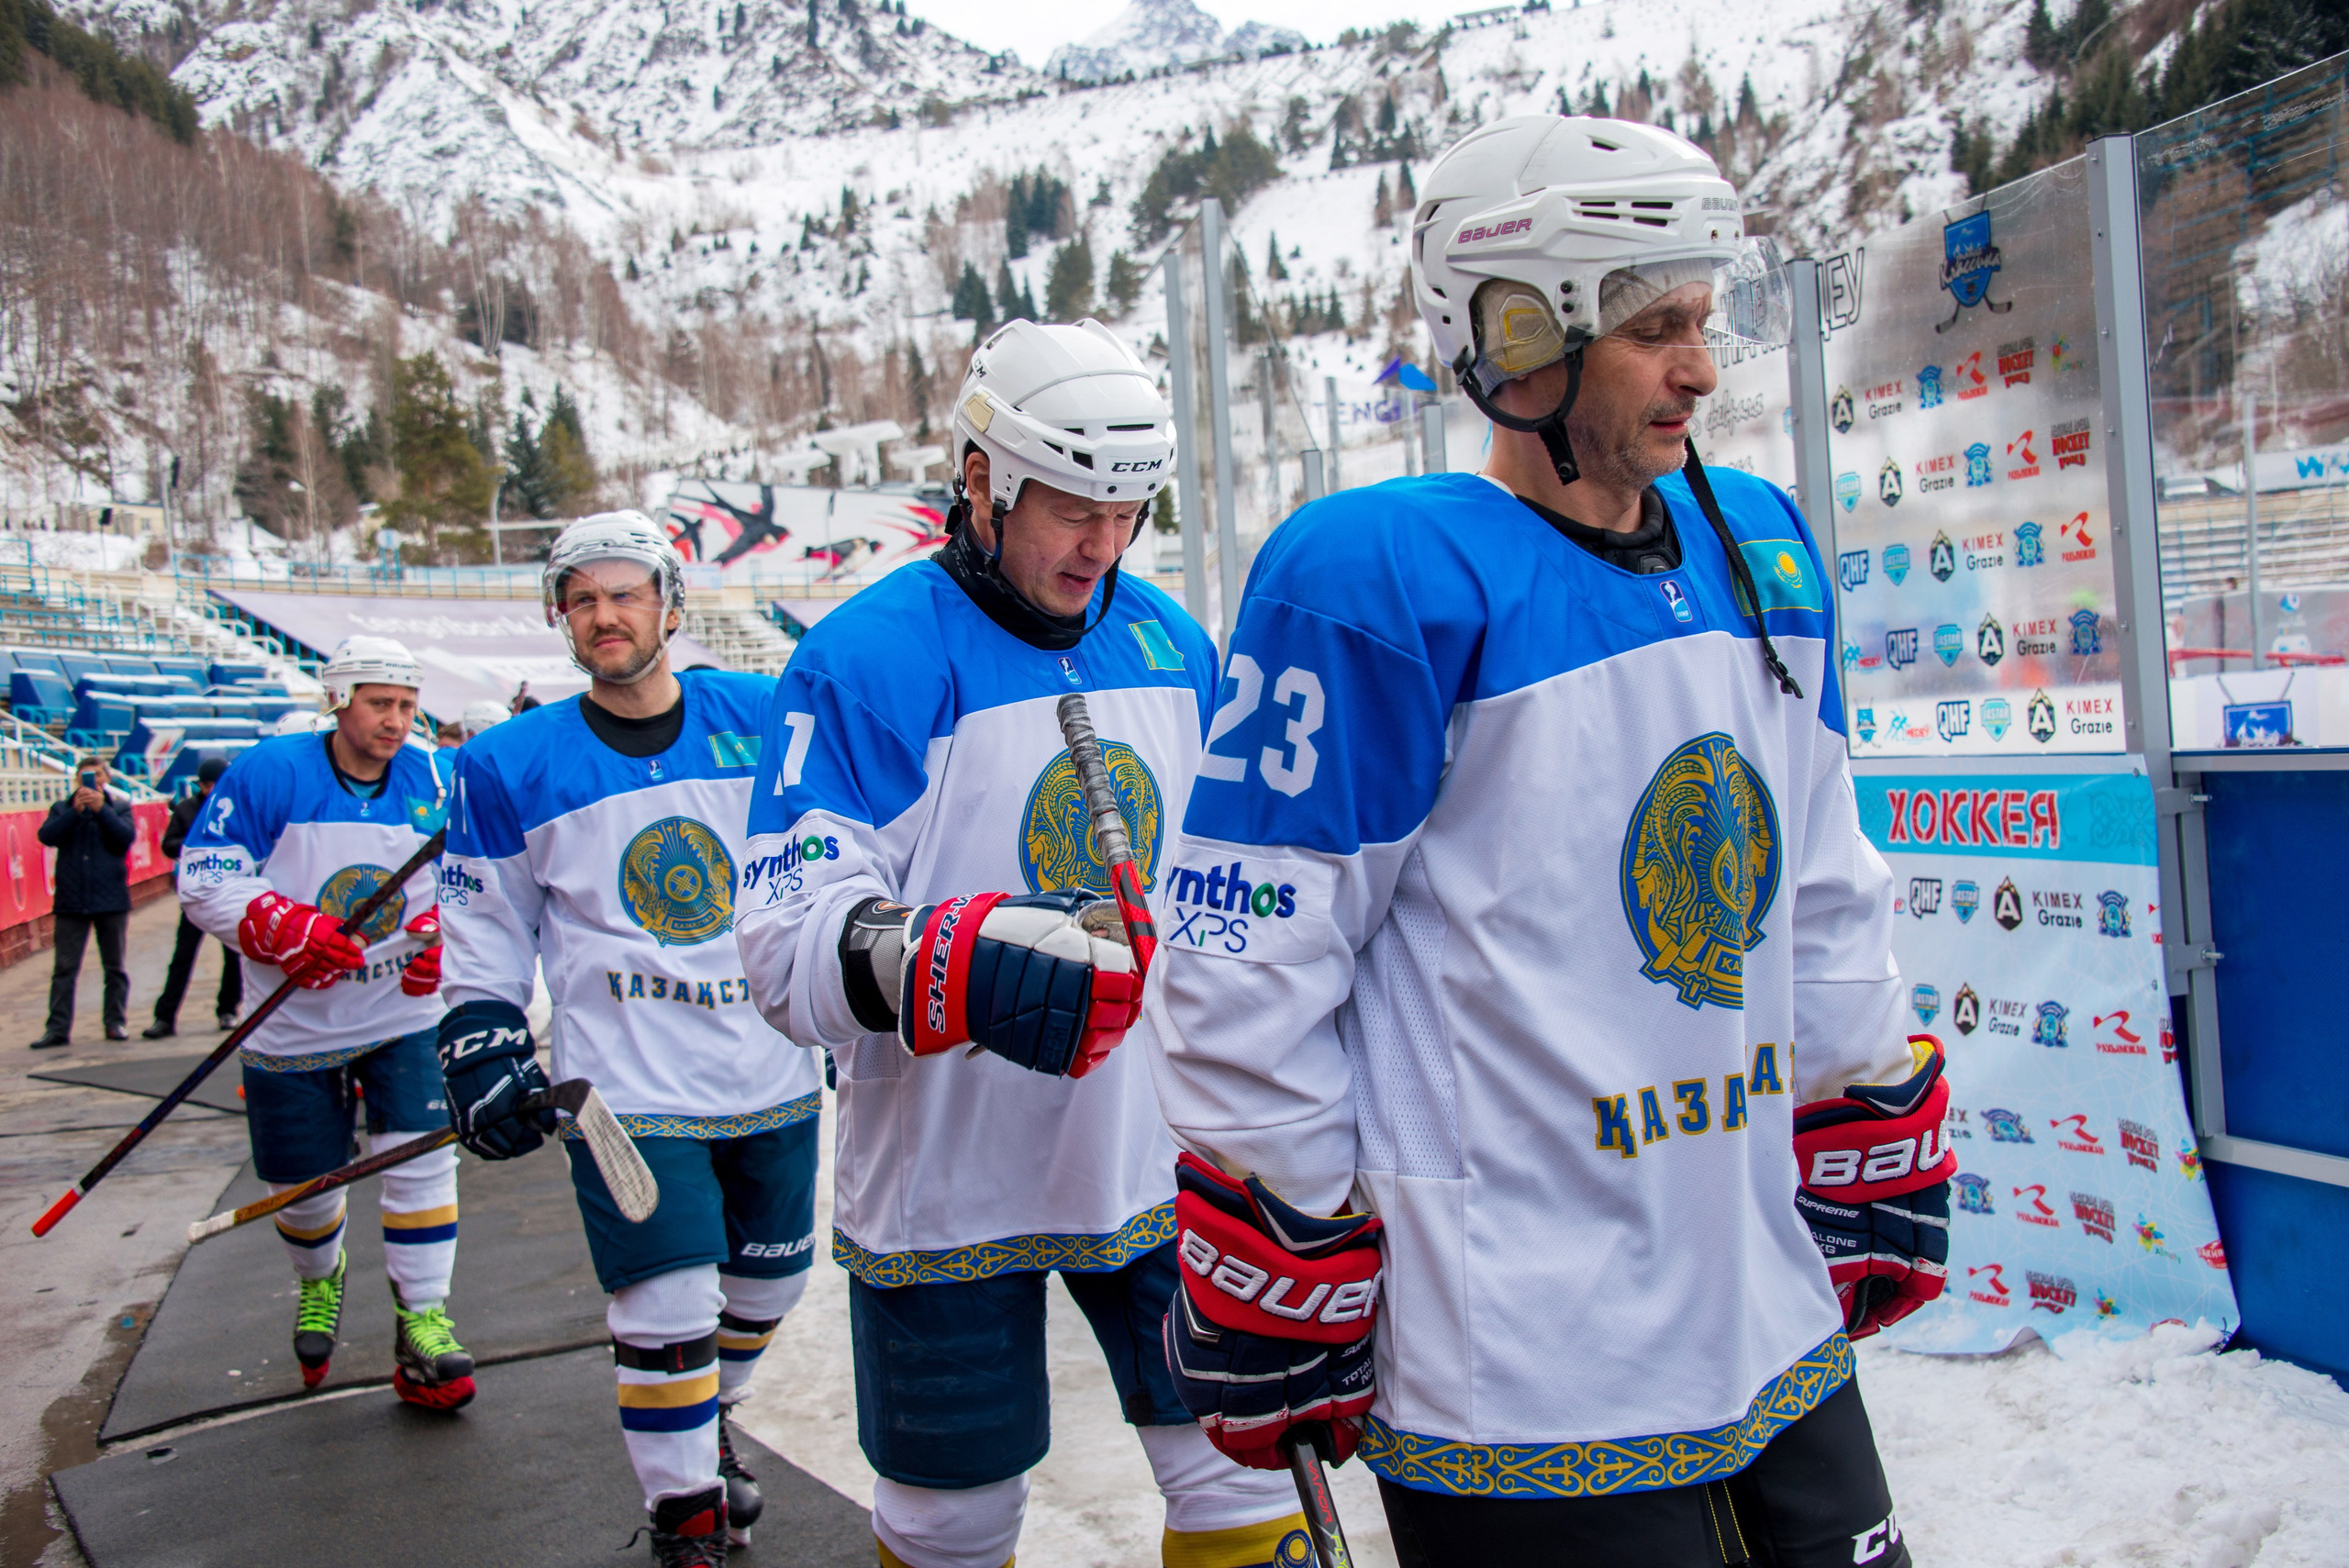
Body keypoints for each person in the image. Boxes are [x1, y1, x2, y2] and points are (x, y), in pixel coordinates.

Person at [1143, 117, 1954, 1566]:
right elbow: (1244, 963)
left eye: (1701, 323)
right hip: (1520, 1365)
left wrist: (1861, 1094)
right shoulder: (1377, 577)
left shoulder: (1757, 542)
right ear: (1521, 337)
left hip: (1764, 1303)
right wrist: (1290, 1239)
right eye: (1656, 330)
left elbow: (1818, 879)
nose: (1702, 369)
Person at [739, 321, 1310, 1568]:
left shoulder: (1166, 636)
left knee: (1240, 1491)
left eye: (1129, 510)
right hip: (948, 1181)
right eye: (1072, 509)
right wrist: (952, 955)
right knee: (951, 1525)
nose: (1102, 546)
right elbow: (781, 947)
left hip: (1164, 1162)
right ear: (984, 478)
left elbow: (1237, 891)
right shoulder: (864, 658)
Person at [438, 514, 821, 1565]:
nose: (604, 614)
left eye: (624, 592)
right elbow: (484, 928)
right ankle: (684, 1510)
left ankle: (708, 1416)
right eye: (581, 598)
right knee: (665, 1298)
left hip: (770, 1066)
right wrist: (482, 1032)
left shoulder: (762, 715)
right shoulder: (506, 763)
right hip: (624, 1092)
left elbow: (843, 851)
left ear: (670, 601)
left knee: (766, 1289)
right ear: (560, 616)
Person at [176, 635, 469, 1409]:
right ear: (338, 700)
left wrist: (446, 936)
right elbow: (205, 876)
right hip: (294, 1024)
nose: (397, 720)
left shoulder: (432, 773)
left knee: (421, 1160)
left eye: (407, 705)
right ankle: (320, 1276)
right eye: (380, 703)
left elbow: (472, 876)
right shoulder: (270, 770)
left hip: (402, 1011)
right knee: (302, 1189)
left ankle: (424, 1314)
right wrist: (281, 925)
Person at [31, 755, 136, 1048]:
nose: (92, 782)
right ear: (77, 781)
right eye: (86, 776)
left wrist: (101, 810)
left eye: (98, 776)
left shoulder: (119, 807)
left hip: (111, 898)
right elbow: (47, 836)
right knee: (64, 968)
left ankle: (115, 1022)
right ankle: (58, 1028)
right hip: (71, 900)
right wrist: (74, 813)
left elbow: (124, 838)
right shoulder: (62, 808)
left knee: (114, 966)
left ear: (107, 779)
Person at [143, 756, 244, 1038]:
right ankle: (165, 1017)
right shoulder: (187, 809)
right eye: (207, 784)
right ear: (200, 785)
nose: (211, 789)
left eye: (217, 783)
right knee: (182, 957)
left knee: (234, 956)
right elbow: (169, 844)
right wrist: (194, 847)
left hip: (230, 891)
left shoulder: (237, 809)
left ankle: (228, 1010)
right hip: (197, 893)